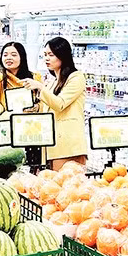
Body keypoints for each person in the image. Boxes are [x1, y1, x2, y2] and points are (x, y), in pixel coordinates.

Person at [21, 37, 87, 169]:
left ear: (62, 55)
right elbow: (48, 108)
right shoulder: (53, 82)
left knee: (69, 186)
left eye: (51, 55)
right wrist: (34, 108)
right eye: (45, 55)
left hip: (69, 145)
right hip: (53, 144)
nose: (47, 58)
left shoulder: (76, 77)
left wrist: (40, 87)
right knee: (55, 186)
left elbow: (60, 104)